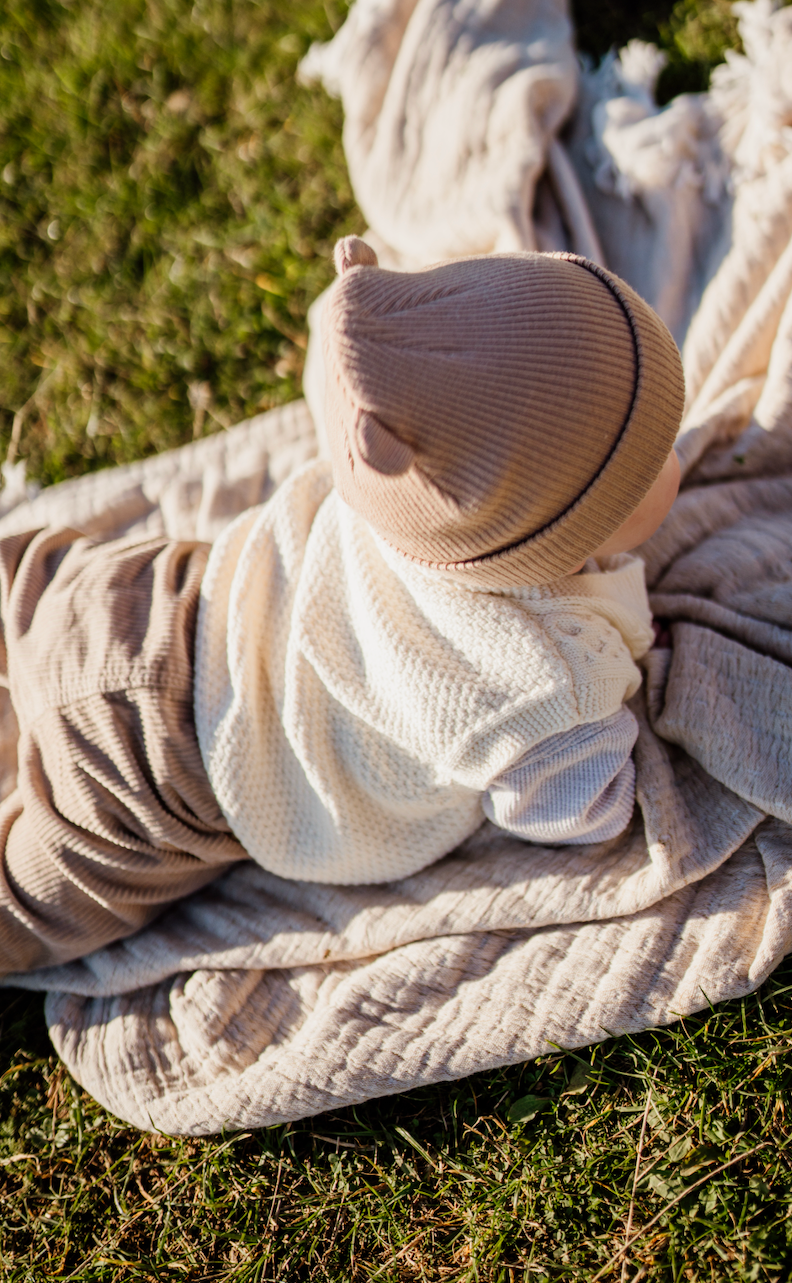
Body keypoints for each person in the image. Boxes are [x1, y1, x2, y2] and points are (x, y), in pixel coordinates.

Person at [0, 241, 684, 976]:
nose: (678, 459)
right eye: (654, 462)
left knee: (19, 581)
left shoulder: (404, 465)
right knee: (26, 903)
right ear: (563, 536)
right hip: (155, 783)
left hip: (137, 596)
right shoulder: (545, 677)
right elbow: (580, 810)